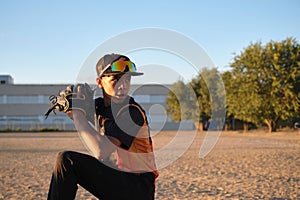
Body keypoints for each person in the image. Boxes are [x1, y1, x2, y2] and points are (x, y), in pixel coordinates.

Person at [47, 53, 158, 200]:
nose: (123, 86)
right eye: (115, 80)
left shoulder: (131, 112)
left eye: (127, 79)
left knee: (67, 160)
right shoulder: (100, 106)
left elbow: (101, 151)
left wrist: (78, 114)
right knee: (65, 164)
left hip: (137, 189)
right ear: (99, 82)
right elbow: (74, 113)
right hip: (117, 180)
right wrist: (69, 104)